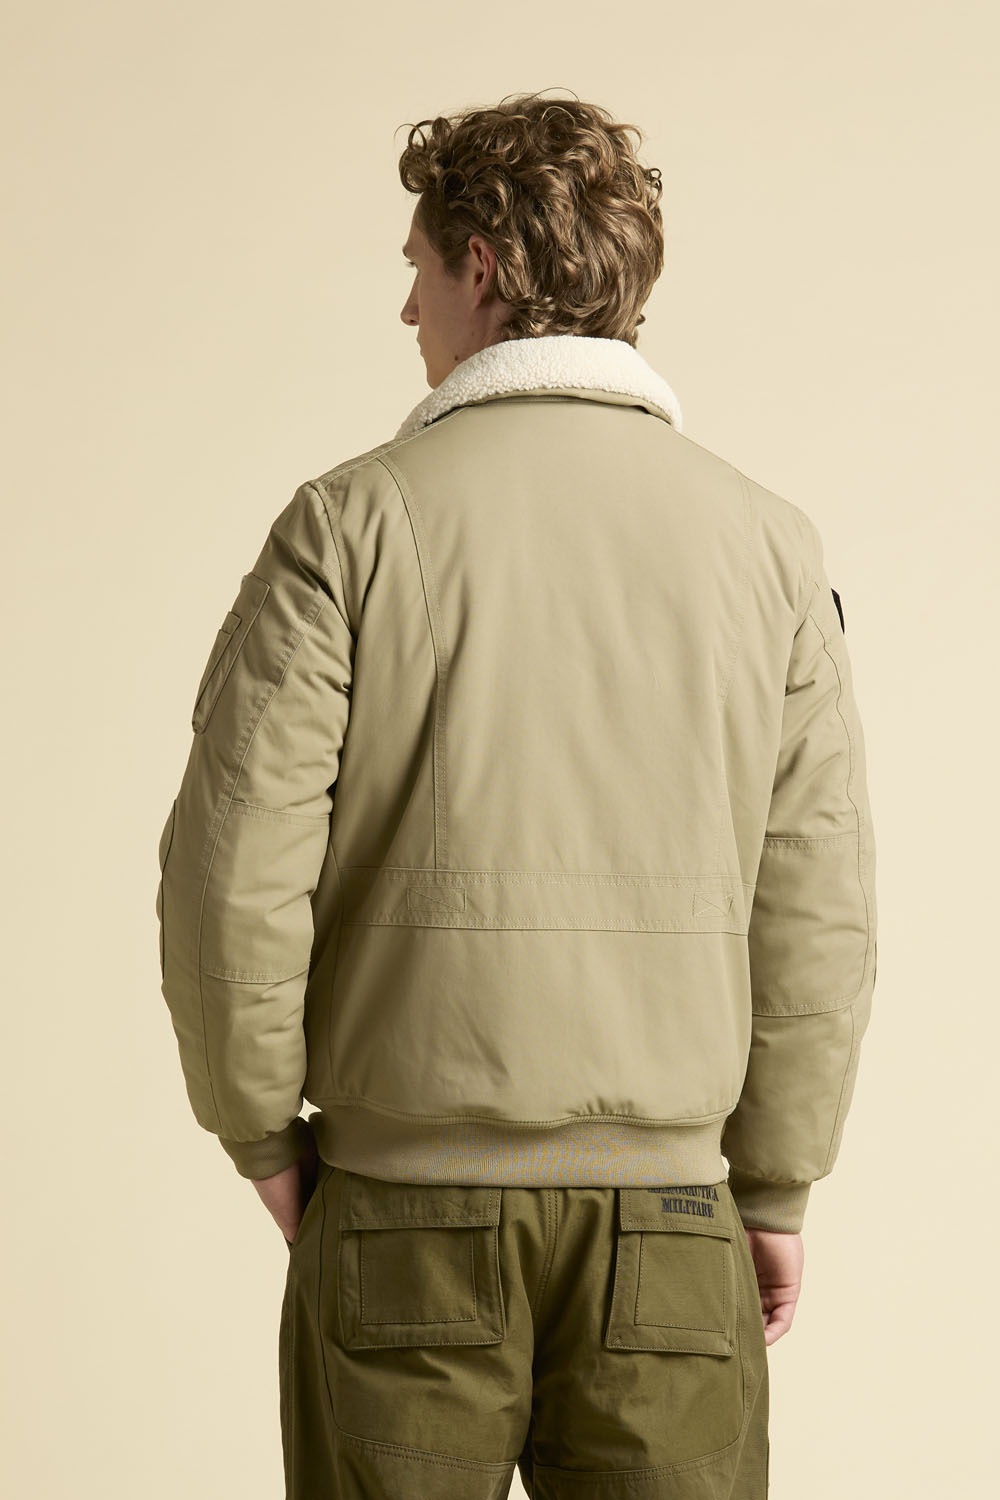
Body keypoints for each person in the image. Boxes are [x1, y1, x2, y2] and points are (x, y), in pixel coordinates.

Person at [154, 90, 877, 1498]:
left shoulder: (349, 525)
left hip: (401, 1216)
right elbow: (817, 900)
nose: (407, 308)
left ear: (479, 265)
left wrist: (260, 1128)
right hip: (672, 1225)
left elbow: (232, 865)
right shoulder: (770, 547)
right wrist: (776, 1178)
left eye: (416, 269)